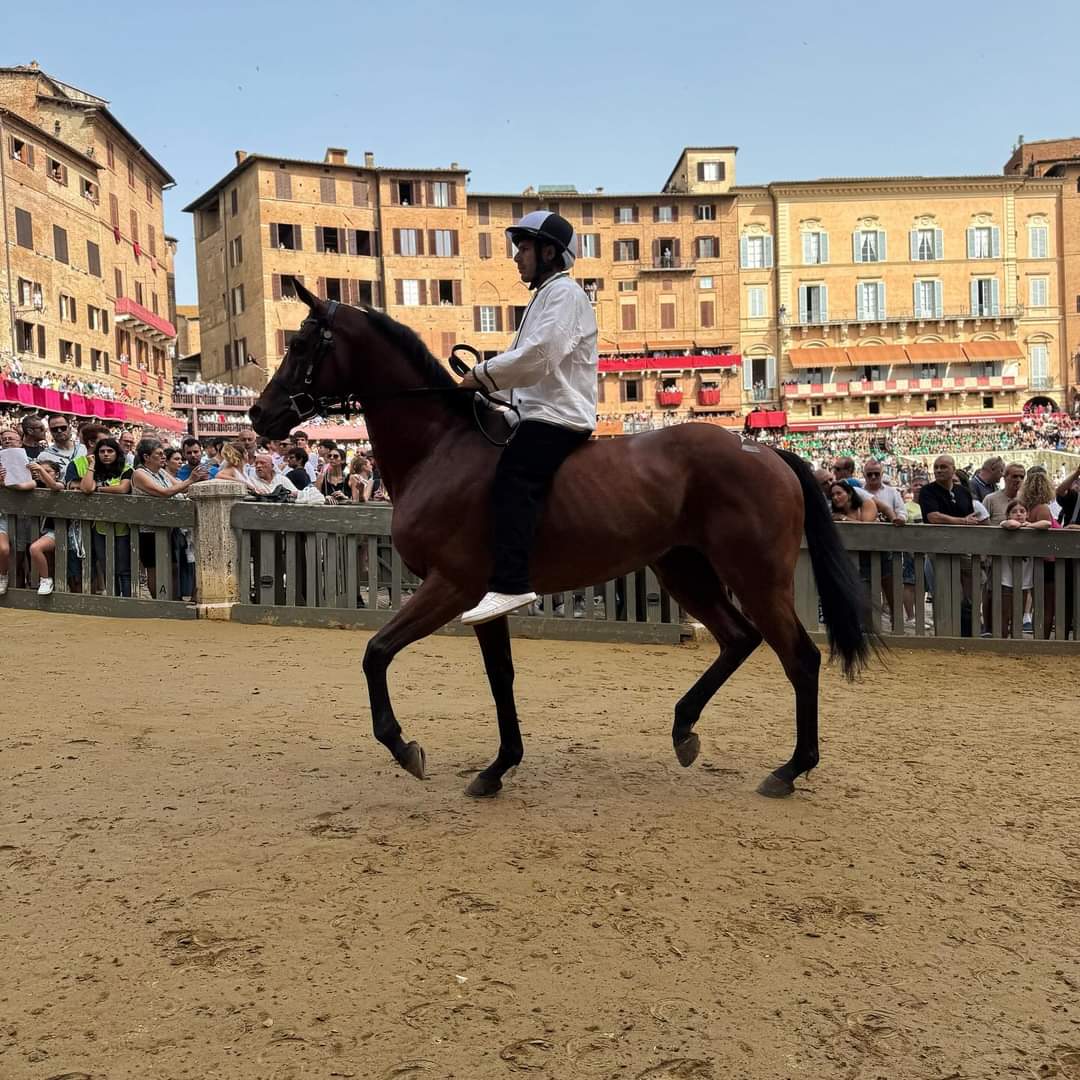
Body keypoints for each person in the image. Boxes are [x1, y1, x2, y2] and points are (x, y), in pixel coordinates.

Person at [458, 210, 597, 624]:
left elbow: (538, 358)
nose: (516, 257)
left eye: (524, 248)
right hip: (539, 410)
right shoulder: (546, 297)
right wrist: (480, 389)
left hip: (557, 416)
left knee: (512, 479)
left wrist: (481, 376)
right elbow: (524, 376)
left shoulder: (565, 295)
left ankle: (512, 584)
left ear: (549, 251)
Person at [131, 438, 207, 600]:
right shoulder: (139, 474)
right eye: (159, 454)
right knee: (154, 568)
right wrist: (191, 479)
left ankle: (173, 601)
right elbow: (164, 493)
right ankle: (160, 601)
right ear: (146, 457)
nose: (163, 456)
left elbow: (181, 486)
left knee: (172, 566)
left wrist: (195, 480)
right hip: (149, 528)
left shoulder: (161, 471)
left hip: (169, 526)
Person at [78, 436, 133, 596]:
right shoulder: (95, 471)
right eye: (102, 451)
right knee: (107, 566)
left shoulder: (126, 468)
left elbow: (123, 489)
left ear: (117, 453)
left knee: (124, 568)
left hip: (122, 526)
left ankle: (127, 601)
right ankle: (113, 600)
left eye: (110, 451)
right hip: (100, 526)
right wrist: (92, 465)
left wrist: (99, 489)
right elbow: (87, 488)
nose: (106, 454)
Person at [27, 458, 65, 595]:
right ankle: (45, 580)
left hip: (61, 530)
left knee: (35, 548)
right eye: (38, 472)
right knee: (47, 558)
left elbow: (55, 487)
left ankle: (45, 579)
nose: (42, 474)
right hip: (44, 529)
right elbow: (21, 486)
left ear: (57, 473)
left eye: (48, 471)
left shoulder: (62, 483)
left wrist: (40, 470)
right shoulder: (37, 484)